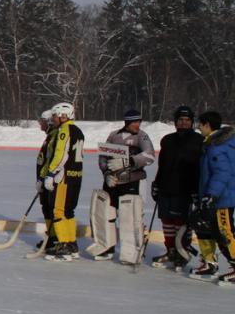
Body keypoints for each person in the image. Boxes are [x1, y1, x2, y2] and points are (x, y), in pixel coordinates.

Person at [89, 109, 155, 262]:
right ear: (126, 123)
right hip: (113, 183)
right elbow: (103, 157)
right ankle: (107, 246)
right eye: (134, 122)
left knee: (130, 216)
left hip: (133, 181)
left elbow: (150, 155)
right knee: (106, 213)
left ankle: (132, 251)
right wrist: (106, 174)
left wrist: (130, 161)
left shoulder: (142, 136)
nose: (137, 125)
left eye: (139, 122)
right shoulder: (113, 135)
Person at [150, 105, 203, 269]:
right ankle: (170, 250)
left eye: (187, 120)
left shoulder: (199, 141)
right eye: (180, 120)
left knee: (181, 222)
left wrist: (197, 190)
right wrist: (156, 184)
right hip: (166, 186)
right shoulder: (167, 140)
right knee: (167, 220)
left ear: (192, 122)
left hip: (186, 188)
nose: (183, 123)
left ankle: (182, 252)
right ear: (175, 122)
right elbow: (162, 165)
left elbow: (200, 168)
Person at [188, 111, 235, 284]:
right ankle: (210, 263)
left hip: (222, 199)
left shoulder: (218, 146)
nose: (199, 128)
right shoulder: (211, 144)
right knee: (202, 227)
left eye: (200, 125)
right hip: (211, 196)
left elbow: (222, 173)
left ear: (208, 125)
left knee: (224, 231)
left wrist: (211, 196)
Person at [41, 103, 85, 261]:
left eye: (55, 116)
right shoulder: (78, 131)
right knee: (68, 211)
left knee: (59, 211)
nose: (53, 119)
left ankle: (64, 244)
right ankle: (71, 244)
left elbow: (61, 154)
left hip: (65, 177)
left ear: (63, 115)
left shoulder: (64, 130)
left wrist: (51, 173)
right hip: (76, 176)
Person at [34, 109, 57, 251]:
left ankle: (55, 238)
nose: (40, 124)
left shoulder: (54, 136)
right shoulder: (49, 136)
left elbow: (50, 161)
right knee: (46, 208)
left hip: (50, 180)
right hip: (43, 179)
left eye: (42, 121)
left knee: (52, 209)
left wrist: (44, 178)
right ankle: (51, 236)